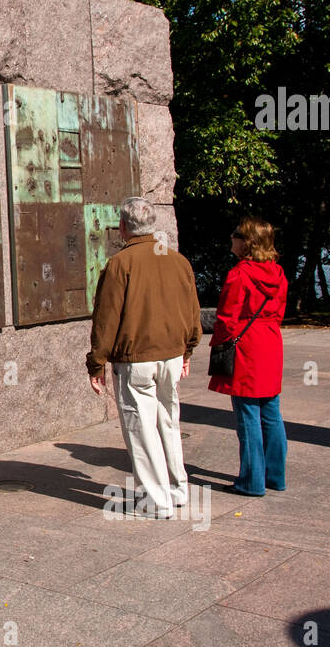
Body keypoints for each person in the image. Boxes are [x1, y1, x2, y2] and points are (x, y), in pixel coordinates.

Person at [87, 197, 202, 518]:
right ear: (152, 225)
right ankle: (178, 488)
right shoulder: (178, 262)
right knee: (168, 421)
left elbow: (106, 319)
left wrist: (96, 363)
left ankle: (156, 500)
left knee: (141, 428)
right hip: (172, 356)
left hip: (135, 360)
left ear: (123, 227)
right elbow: (193, 314)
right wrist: (187, 350)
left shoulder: (119, 264)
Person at [208, 216, 289, 495]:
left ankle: (251, 481)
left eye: (236, 234)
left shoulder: (239, 274)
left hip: (246, 345)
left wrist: (218, 345)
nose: (232, 238)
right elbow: (279, 313)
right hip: (270, 341)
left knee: (247, 415)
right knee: (271, 411)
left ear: (247, 242)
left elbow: (226, 318)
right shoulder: (278, 272)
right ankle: (274, 476)